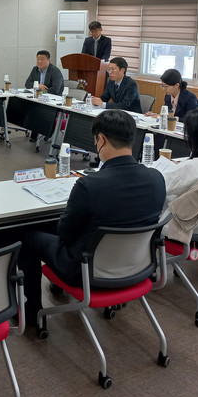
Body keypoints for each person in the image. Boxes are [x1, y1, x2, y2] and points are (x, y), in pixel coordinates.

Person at [19, 110, 165, 321]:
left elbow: (65, 233)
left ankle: (32, 312)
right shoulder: (157, 179)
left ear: (101, 140)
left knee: (28, 236)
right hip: (137, 267)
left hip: (85, 272)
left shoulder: (89, 185)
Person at [24, 50, 65, 143]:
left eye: (42, 59)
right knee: (29, 107)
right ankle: (36, 130)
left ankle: (44, 132)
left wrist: (41, 91)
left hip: (53, 101)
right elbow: (27, 84)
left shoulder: (55, 71)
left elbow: (55, 90)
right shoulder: (35, 70)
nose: (39, 61)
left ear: (48, 60)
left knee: (38, 109)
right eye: (38, 59)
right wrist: (38, 86)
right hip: (38, 99)